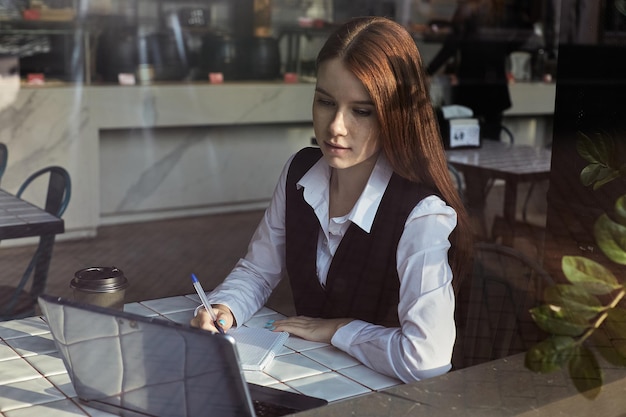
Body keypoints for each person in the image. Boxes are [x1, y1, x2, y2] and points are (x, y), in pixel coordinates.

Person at [191, 16, 472, 383]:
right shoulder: (299, 173)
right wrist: (223, 307)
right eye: (325, 102)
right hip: (302, 378)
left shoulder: (421, 212)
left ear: (396, 115)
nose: (336, 126)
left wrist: (338, 329)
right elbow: (259, 270)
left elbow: (426, 358)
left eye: (361, 111)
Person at [426, 0, 530, 140]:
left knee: (467, 139)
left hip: (472, 84)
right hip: (494, 85)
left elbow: (451, 45)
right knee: (492, 142)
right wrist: (504, 49)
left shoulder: (469, 10)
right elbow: (526, 30)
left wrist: (428, 71)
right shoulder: (502, 10)